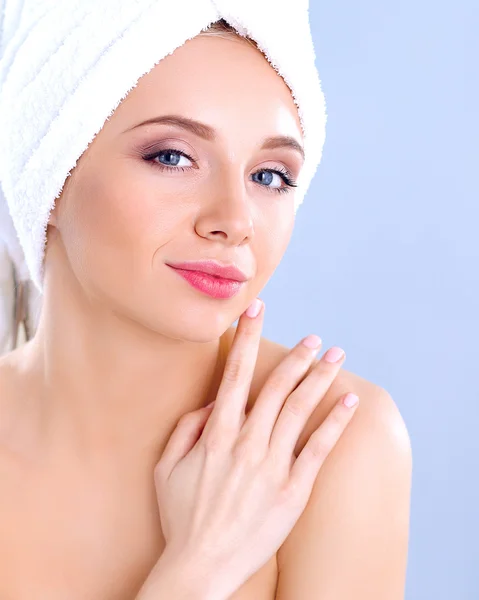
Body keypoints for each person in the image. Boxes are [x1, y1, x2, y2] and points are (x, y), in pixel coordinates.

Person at [0, 16, 412, 600]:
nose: (235, 220)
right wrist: (196, 573)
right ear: (46, 176)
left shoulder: (332, 443)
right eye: (172, 157)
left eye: (270, 176)